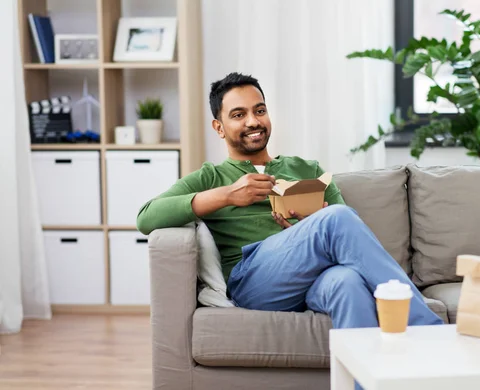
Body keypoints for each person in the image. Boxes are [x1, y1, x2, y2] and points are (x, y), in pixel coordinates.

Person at [136, 72, 443, 330]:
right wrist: (228, 195)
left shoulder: (308, 169)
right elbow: (147, 217)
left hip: (315, 275)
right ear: (219, 127)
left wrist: (309, 228)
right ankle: (426, 330)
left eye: (259, 110)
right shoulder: (211, 177)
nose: (253, 121)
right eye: (238, 115)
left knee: (347, 281)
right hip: (254, 282)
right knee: (336, 218)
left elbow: (350, 229)